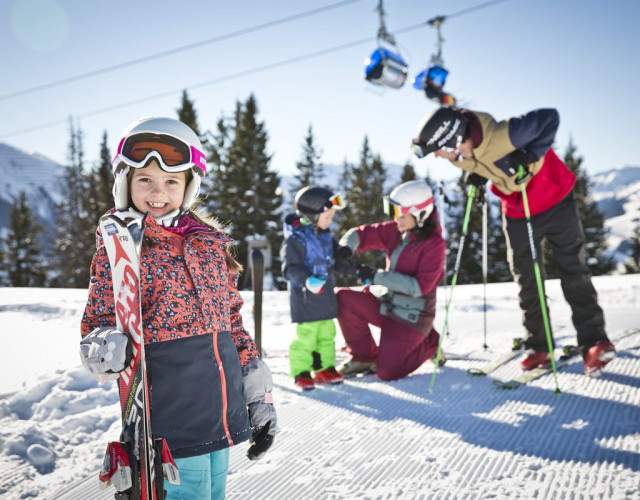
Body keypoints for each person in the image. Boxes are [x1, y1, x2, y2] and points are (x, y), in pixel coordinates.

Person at [79, 117, 277, 499]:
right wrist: (103, 346)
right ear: (125, 183)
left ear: (189, 186)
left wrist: (258, 396)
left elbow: (232, 322)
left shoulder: (208, 243)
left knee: (213, 493)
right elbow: (97, 320)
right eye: (145, 180)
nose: (159, 192)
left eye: (172, 181)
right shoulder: (121, 246)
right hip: (169, 415)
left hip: (219, 408)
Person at [411, 106, 616, 376]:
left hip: (555, 199)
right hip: (518, 209)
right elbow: (485, 163)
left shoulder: (505, 134)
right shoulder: (458, 154)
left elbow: (550, 118)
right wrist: (476, 175)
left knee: (572, 270)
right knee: (527, 277)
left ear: (455, 139)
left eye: (439, 149)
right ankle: (539, 345)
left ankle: (594, 342)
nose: (438, 156)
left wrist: (528, 154)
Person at [336, 179, 445, 381]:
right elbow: (361, 234)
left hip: (412, 317)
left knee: (387, 371)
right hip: (387, 305)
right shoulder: (398, 230)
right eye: (393, 213)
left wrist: (375, 276)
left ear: (420, 212)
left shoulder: (435, 245)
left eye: (400, 214)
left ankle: (430, 342)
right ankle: (363, 357)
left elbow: (419, 287)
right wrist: (346, 248)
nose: (396, 220)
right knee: (342, 297)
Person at [280, 186, 348, 390]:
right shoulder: (295, 240)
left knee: (327, 335)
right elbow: (289, 269)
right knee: (307, 337)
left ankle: (324, 369)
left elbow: (337, 261)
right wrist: (308, 280)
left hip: (325, 298)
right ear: (311, 215)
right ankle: (301, 371)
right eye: (327, 217)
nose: (330, 221)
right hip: (306, 299)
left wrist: (358, 269)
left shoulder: (326, 237)